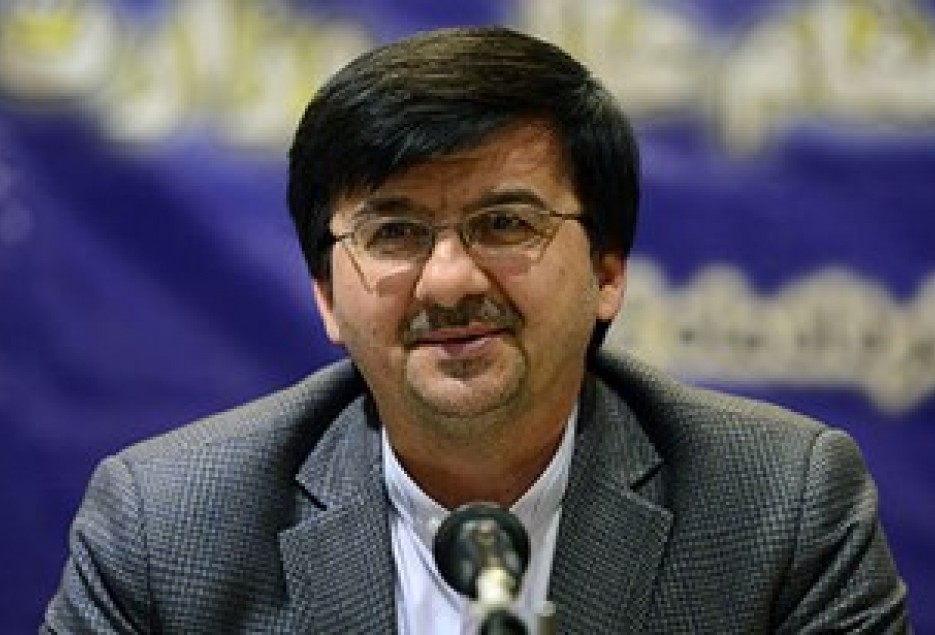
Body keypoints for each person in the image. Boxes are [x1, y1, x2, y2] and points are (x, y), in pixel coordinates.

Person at [42, 26, 908, 634]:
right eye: (394, 233)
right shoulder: (165, 528)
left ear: (607, 271)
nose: (450, 279)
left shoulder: (780, 508)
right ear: (327, 296)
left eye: (504, 224)